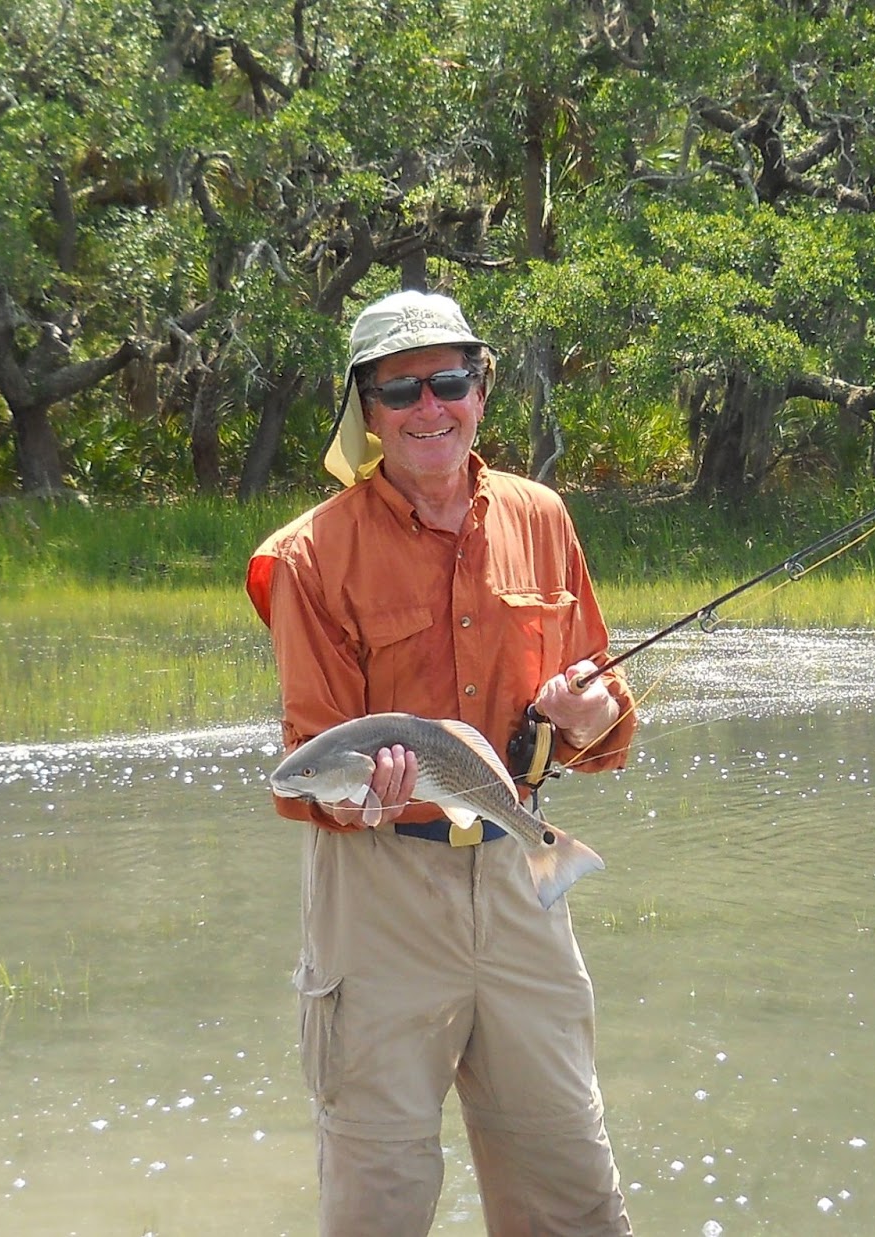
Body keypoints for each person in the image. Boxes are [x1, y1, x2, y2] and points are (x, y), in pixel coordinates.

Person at [245, 289, 637, 1236]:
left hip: (517, 877)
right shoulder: (310, 556)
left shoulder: (542, 518)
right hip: (376, 896)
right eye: (402, 390)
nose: (431, 408)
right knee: (378, 1196)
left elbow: (611, 725)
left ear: (481, 390)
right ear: (366, 413)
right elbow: (311, 763)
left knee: (571, 1185)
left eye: (451, 382)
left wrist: (591, 714)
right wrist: (358, 799)